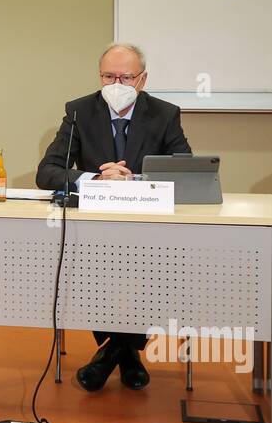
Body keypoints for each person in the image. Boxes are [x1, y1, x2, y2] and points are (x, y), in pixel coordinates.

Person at [36, 42, 191, 392]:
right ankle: (128, 353)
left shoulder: (165, 114)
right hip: (95, 233)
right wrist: (95, 178)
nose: (116, 83)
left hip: (149, 232)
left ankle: (112, 354)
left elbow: (186, 172)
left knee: (145, 274)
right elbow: (47, 171)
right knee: (102, 274)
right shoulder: (79, 111)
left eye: (126, 76)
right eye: (109, 76)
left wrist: (134, 180)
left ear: (143, 79)